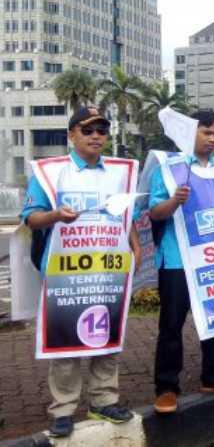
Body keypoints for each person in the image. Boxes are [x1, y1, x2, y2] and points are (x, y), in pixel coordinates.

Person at [21, 107, 137, 437]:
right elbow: (30, 217)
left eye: (102, 130)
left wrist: (134, 245)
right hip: (65, 272)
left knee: (107, 338)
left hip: (107, 269)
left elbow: (123, 214)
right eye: (88, 130)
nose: (96, 136)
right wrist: (56, 214)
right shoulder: (50, 172)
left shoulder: (118, 173)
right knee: (66, 342)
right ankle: (63, 409)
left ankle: (103, 400)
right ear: (71, 135)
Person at [150, 110, 214, 414]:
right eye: (206, 132)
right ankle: (167, 387)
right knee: (172, 326)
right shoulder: (169, 169)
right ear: (189, 132)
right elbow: (154, 212)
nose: (212, 139)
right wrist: (174, 201)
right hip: (178, 260)